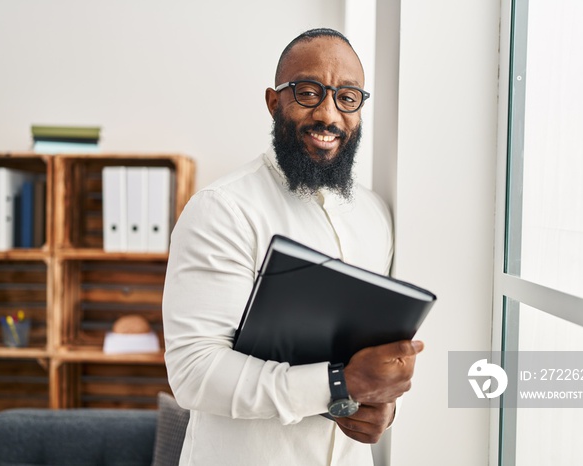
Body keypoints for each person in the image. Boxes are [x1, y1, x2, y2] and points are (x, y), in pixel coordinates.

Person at [162, 28, 424, 466]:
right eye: (308, 93)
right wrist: (338, 385)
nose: (329, 114)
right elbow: (195, 373)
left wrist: (383, 406)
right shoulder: (222, 210)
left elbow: (367, 353)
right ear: (273, 101)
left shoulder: (376, 215)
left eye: (347, 97)